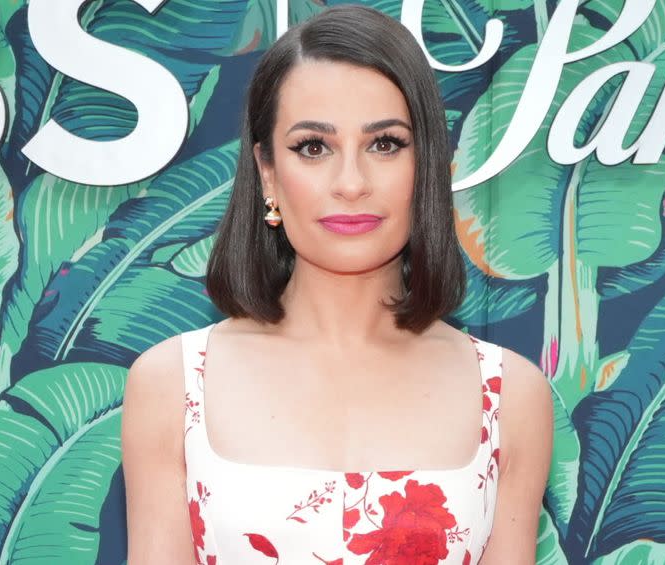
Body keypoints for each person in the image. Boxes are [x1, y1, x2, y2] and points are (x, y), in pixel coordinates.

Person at [122, 5, 552, 564]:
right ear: (268, 171)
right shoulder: (171, 386)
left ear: (425, 164)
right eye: (313, 148)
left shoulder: (510, 395)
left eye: (385, 144)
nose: (351, 183)